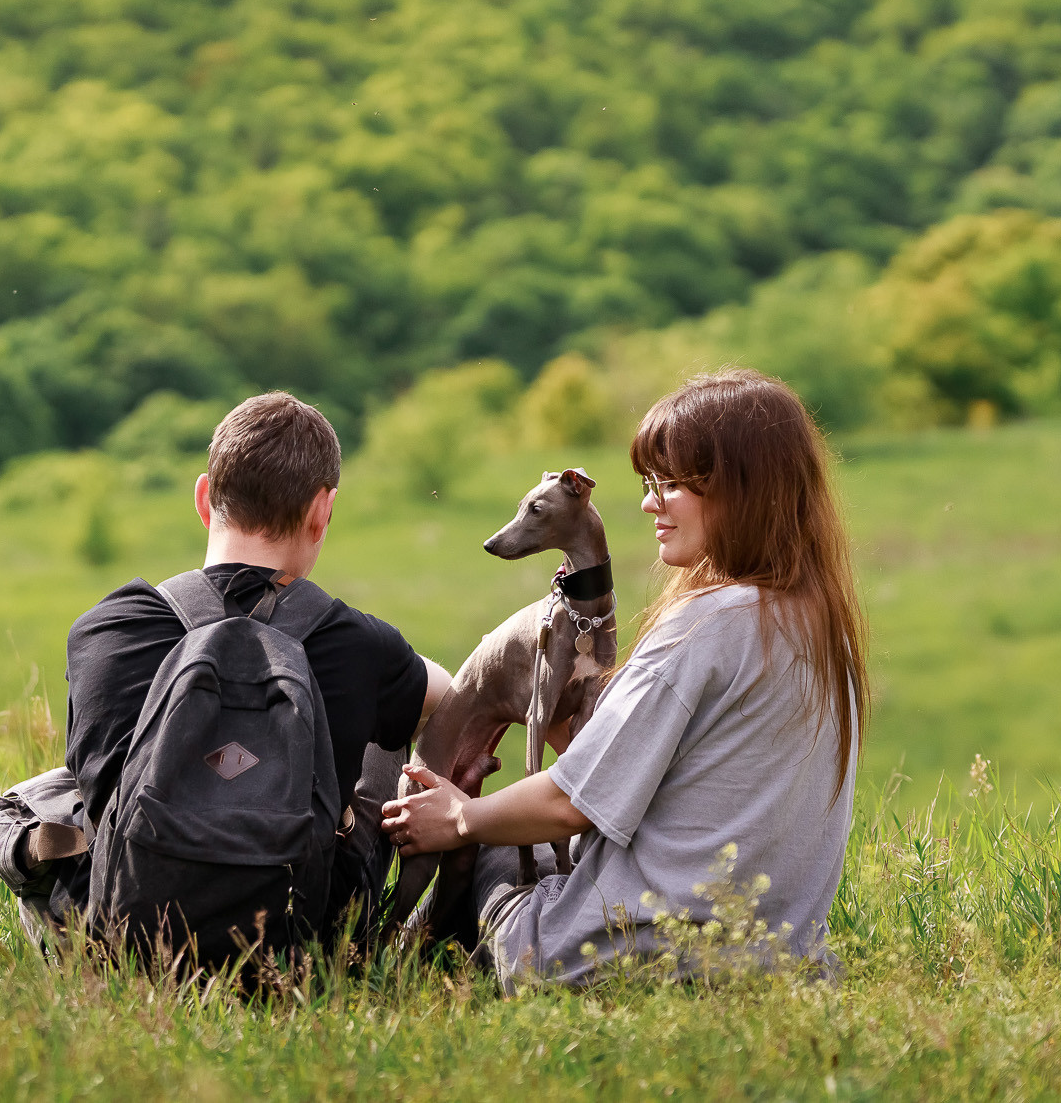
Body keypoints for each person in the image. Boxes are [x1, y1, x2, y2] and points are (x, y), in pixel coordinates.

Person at [382, 369, 869, 990]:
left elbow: (566, 806)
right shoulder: (823, 628)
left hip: (619, 960)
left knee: (497, 846)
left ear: (741, 489)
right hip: (775, 964)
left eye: (670, 484)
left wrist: (458, 816)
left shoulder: (705, 626)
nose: (648, 504)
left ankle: (401, 973)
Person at [65, 391, 452, 943]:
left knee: (51, 793)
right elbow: (452, 697)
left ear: (204, 499)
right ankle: (399, 930)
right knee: (386, 727)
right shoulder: (358, 644)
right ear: (322, 512)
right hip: (300, 942)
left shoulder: (106, 629)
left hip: (131, 935)